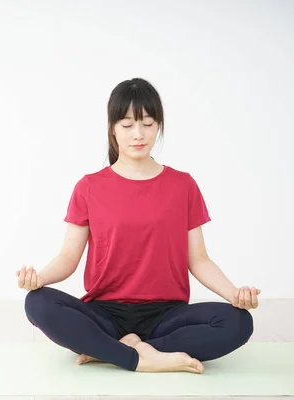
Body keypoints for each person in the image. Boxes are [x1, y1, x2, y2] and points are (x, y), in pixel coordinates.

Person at [15, 77, 259, 374]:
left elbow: (198, 258)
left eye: (147, 123)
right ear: (113, 128)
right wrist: (38, 278)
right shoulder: (89, 187)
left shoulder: (183, 185)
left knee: (239, 322)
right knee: (37, 303)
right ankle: (142, 358)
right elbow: (68, 258)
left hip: (167, 314)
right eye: (127, 125)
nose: (138, 134)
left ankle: (114, 348)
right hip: (105, 312)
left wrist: (234, 293)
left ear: (159, 126)